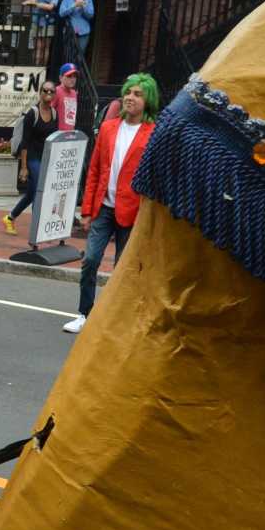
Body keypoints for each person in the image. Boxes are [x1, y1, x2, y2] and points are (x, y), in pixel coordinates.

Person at [63, 72, 157, 334]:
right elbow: (95, 170)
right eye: (128, 92)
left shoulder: (153, 133)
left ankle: (117, 317)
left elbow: (154, 178)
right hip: (104, 207)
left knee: (123, 268)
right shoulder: (108, 128)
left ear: (148, 99)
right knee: (90, 259)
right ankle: (84, 313)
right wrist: (87, 209)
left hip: (133, 211)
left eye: (137, 94)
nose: (130, 97)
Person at [2, 84, 58, 236]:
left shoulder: (54, 113)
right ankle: (37, 228)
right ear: (40, 93)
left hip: (45, 157)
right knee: (39, 192)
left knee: (32, 193)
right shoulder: (32, 114)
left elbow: (53, 139)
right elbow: (25, 142)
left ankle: (10, 217)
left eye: (51, 91)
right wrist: (24, 167)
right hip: (31, 157)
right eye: (45, 90)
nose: (48, 93)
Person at [57, 0, 94, 71]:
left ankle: (76, 77)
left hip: (84, 32)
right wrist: (74, 5)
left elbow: (90, 15)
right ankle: (67, 75)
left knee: (80, 56)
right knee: (69, 55)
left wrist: (83, 6)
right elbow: (61, 13)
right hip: (70, 31)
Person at [29, 0, 63, 66]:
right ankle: (34, 67)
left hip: (49, 21)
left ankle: (42, 69)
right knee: (37, 46)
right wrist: (30, 1)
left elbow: (51, 6)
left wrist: (36, 4)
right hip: (37, 19)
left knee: (45, 47)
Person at [51, 63, 79, 132]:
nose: (72, 79)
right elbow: (48, 114)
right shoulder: (56, 91)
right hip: (57, 135)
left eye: (74, 76)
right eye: (69, 76)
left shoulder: (74, 93)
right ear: (60, 78)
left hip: (70, 134)